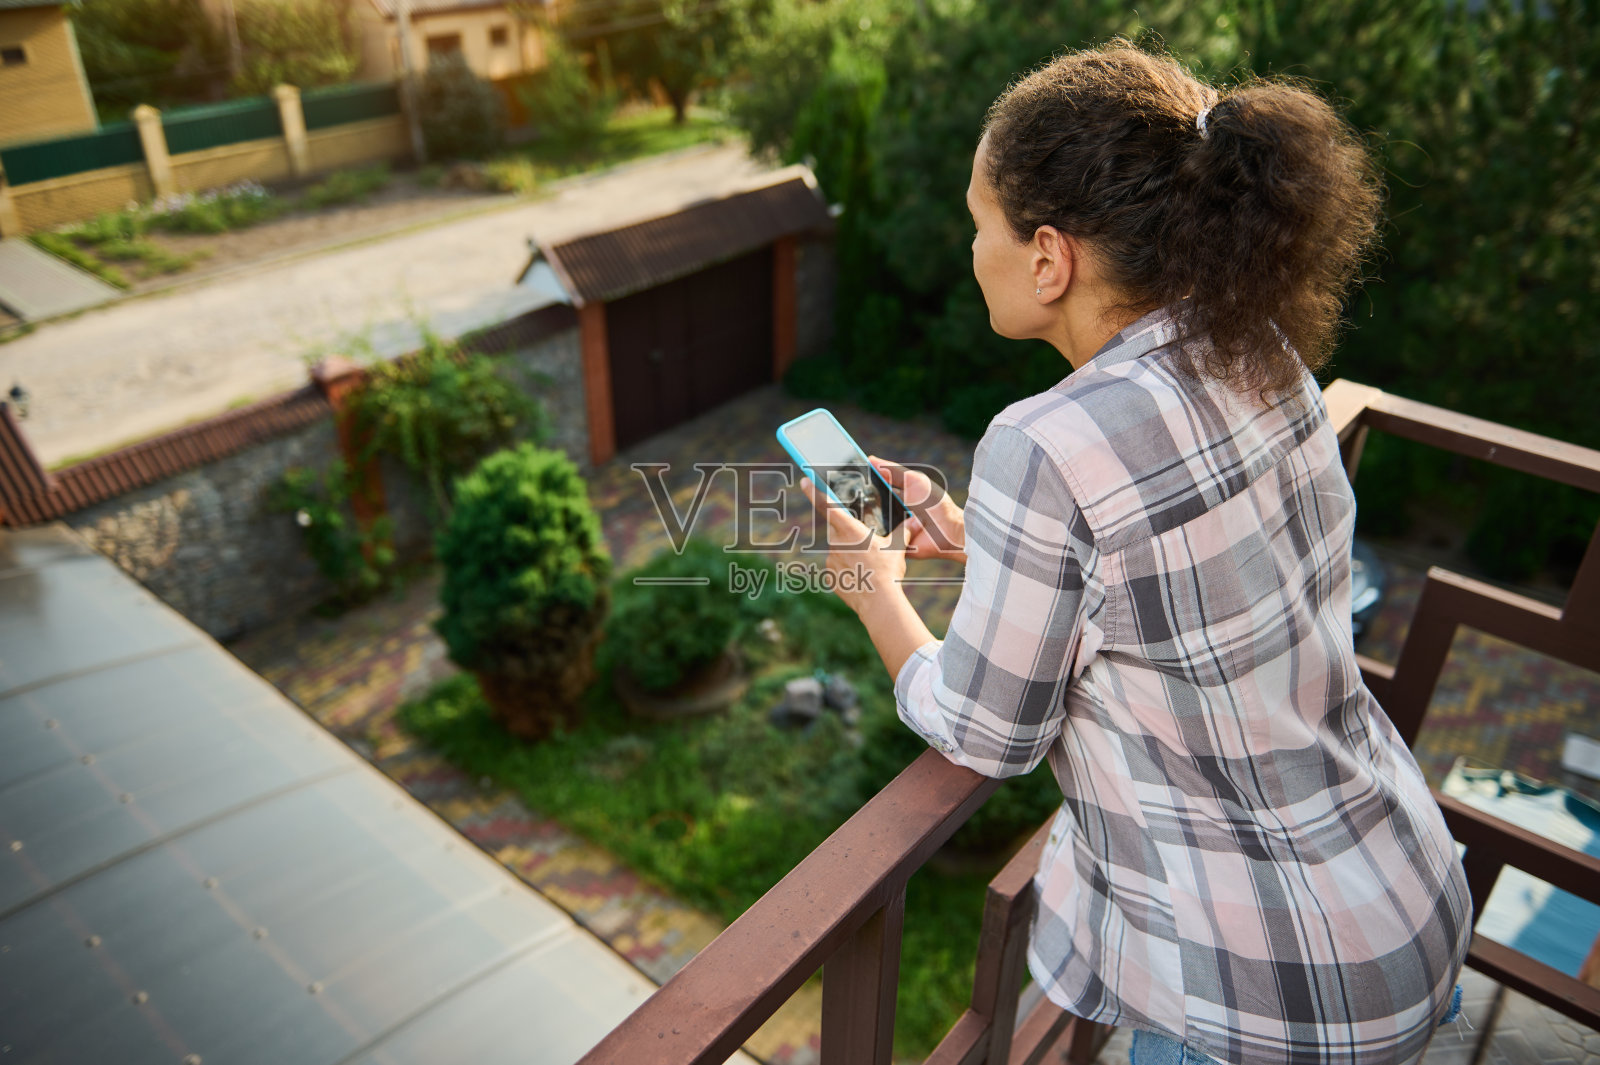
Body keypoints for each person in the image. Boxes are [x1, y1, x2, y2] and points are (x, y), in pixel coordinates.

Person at [796, 41, 1472, 1065]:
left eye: (978, 222)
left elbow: (986, 732)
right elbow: (1177, 587)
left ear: (1048, 257)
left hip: (1266, 996)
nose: (968, 248)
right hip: (1403, 901)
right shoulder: (1256, 351)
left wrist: (874, 591)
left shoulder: (1046, 441)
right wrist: (982, 540)